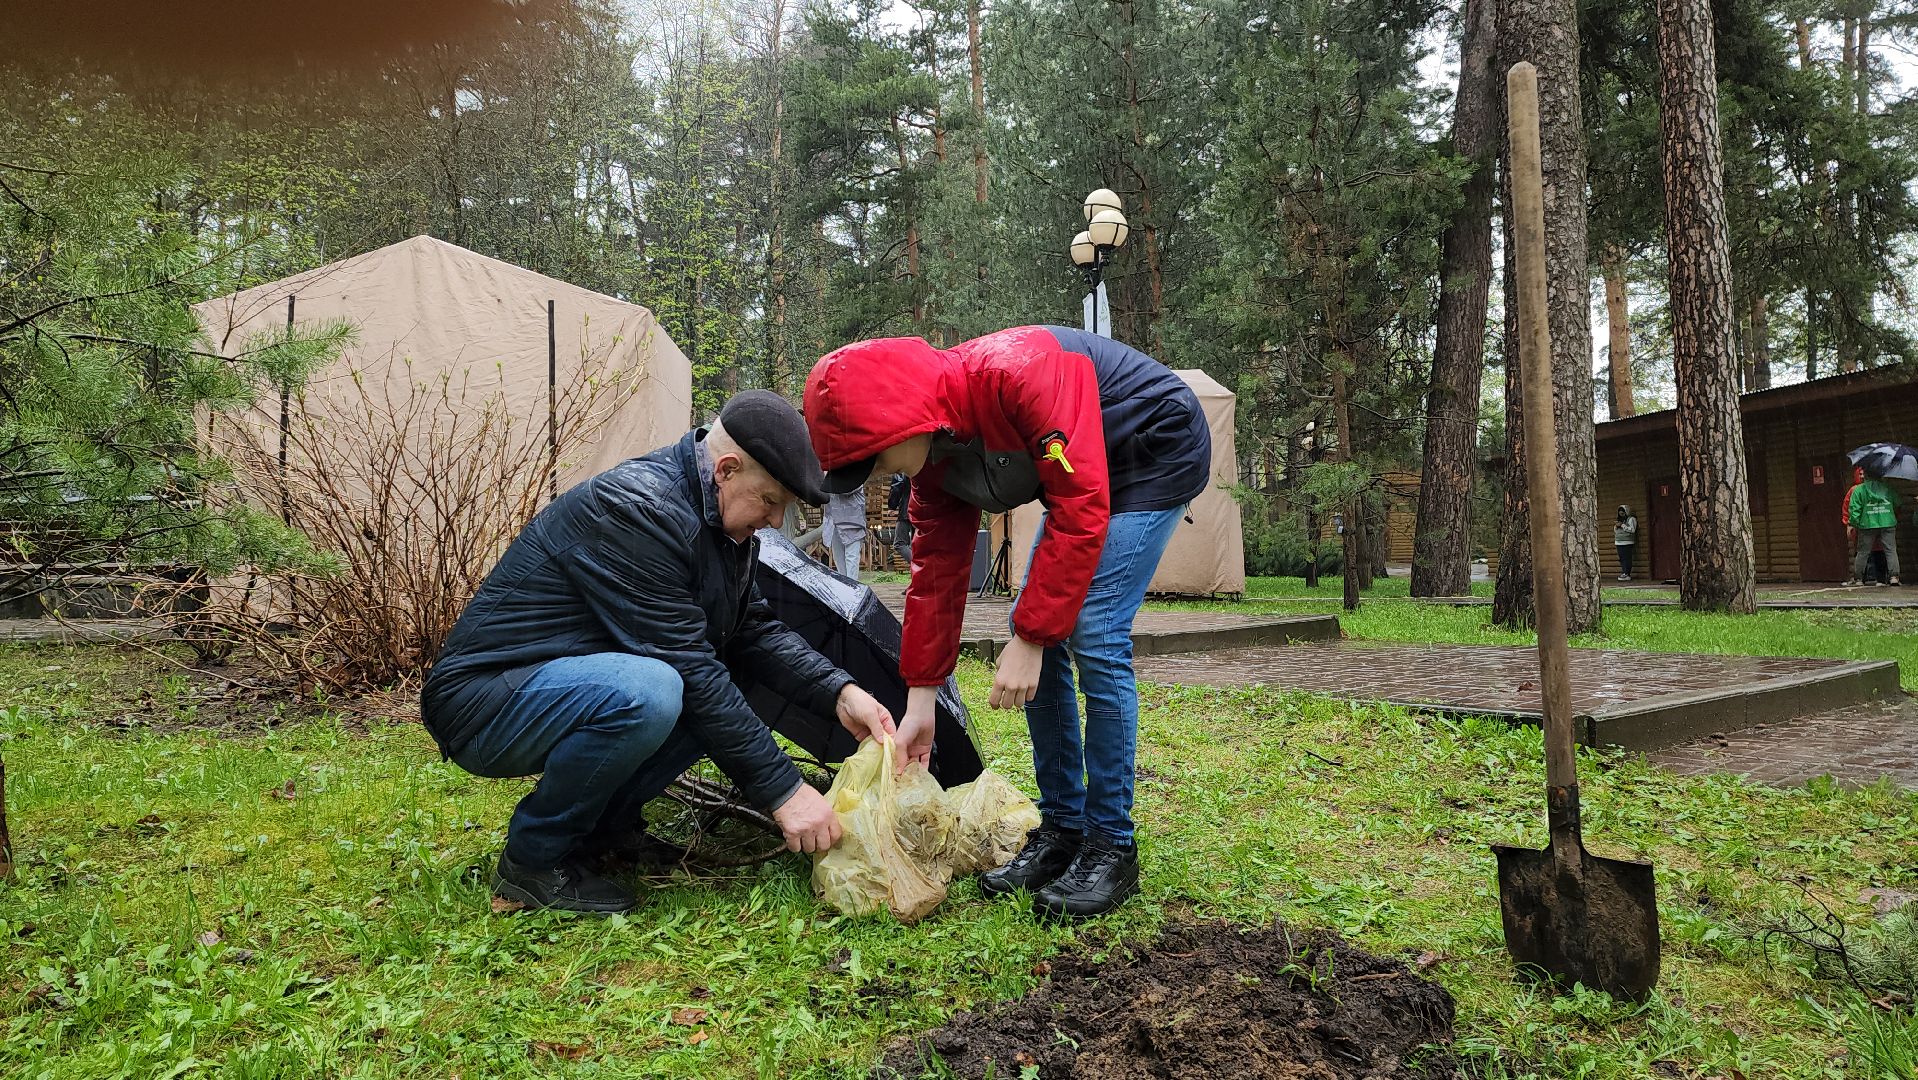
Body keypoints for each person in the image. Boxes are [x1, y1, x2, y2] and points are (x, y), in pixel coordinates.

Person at [422, 391, 896, 914]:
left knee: (718, 678)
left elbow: (752, 630)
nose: (775, 520)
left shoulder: (722, 527)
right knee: (654, 691)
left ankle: (605, 832)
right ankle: (532, 863)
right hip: (485, 701)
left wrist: (839, 691)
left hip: (560, 685)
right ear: (727, 469)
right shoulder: (640, 509)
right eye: (770, 501)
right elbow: (687, 666)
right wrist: (784, 790)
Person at [804, 325, 1212, 919]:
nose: (878, 472)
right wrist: (920, 700)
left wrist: (1031, 635)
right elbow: (936, 574)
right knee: (1040, 624)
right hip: (1082, 473)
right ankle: (1065, 829)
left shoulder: (1018, 373)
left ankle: (1111, 845)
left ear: (906, 420)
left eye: (877, 456)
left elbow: (1081, 501)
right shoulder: (934, 462)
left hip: (1150, 446)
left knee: (1091, 626)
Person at [1847, 467, 1902, 587]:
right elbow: (1898, 502)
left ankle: (1859, 579)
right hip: (1887, 522)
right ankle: (1894, 577)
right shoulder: (1887, 487)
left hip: (1867, 523)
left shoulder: (1859, 490)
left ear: (1866, 475)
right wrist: (1892, 516)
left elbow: (1854, 509)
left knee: (1862, 552)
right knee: (1890, 550)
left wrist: (1853, 524)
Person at [1613, 504, 1638, 582]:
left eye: (1623, 513)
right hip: (1618, 542)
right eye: (1620, 513)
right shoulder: (1620, 520)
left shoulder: (1631, 519)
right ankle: (1624, 572)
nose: (1621, 515)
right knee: (1621, 559)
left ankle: (1627, 573)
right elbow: (1616, 531)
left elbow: (1632, 530)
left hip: (1627, 542)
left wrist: (1623, 525)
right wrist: (1617, 526)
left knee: (1627, 558)